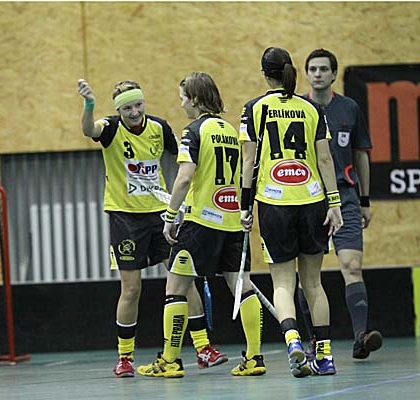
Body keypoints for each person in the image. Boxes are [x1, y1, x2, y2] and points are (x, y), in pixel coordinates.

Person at [77, 79, 227, 378]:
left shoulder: (159, 127)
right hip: (125, 218)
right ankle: (125, 357)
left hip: (159, 215)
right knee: (131, 289)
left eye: (138, 105)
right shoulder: (110, 128)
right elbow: (88, 130)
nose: (134, 112)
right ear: (119, 110)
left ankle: (203, 348)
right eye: (127, 108)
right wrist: (90, 104)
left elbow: (187, 160)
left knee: (185, 280)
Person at [136, 72, 266, 379]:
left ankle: (170, 361)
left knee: (175, 288)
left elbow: (184, 177)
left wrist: (170, 216)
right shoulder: (230, 130)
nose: (181, 104)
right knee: (242, 286)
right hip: (232, 222)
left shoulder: (193, 131)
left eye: (183, 98)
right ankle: (254, 357)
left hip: (200, 223)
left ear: (195, 99)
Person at [239, 47, 343, 378]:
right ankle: (324, 357)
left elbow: (248, 162)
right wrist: (335, 203)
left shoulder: (253, 109)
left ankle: (293, 340)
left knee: (283, 283)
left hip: (274, 204)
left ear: (264, 74)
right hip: (312, 201)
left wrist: (244, 206)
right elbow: (325, 159)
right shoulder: (312, 108)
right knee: (314, 283)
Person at [295, 48, 381, 360]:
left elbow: (361, 155)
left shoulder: (349, 108)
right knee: (308, 277)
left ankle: (361, 337)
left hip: (345, 197)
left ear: (333, 74)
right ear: (307, 74)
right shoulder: (298, 109)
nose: (317, 74)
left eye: (323, 69)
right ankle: (314, 340)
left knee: (352, 266)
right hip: (309, 199)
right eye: (312, 69)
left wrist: (364, 200)